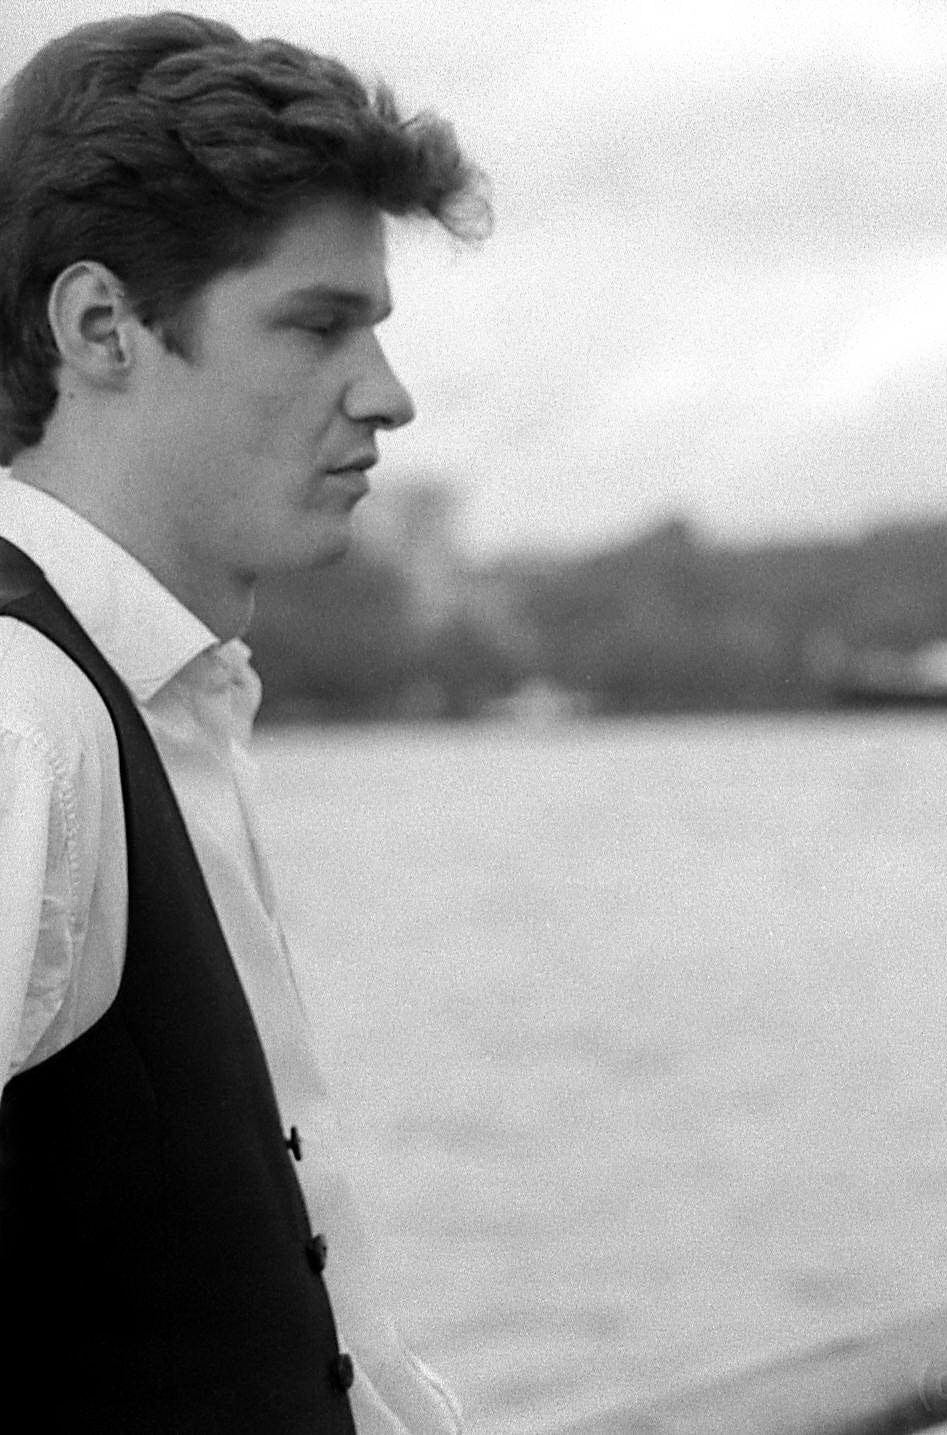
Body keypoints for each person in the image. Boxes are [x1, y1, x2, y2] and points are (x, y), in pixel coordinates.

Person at [0, 15, 485, 1431]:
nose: (387, 394)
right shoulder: (30, 720)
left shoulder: (143, 694)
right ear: (102, 329)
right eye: (318, 324)